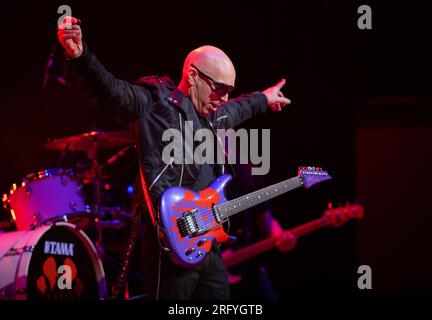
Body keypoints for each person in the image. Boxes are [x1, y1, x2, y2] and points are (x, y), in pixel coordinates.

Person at [57, 16, 292, 300]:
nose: (224, 99)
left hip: (208, 240)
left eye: (229, 91)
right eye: (219, 89)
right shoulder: (154, 103)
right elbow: (110, 90)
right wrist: (80, 57)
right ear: (193, 76)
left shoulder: (215, 115)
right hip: (169, 242)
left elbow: (242, 107)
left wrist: (264, 98)